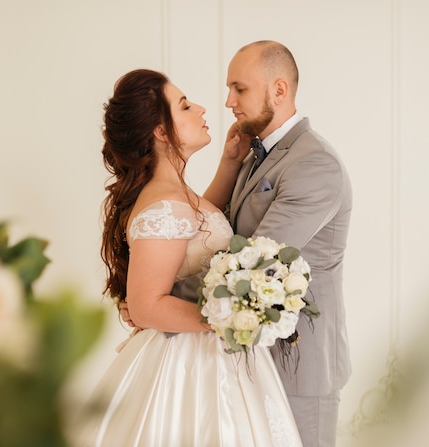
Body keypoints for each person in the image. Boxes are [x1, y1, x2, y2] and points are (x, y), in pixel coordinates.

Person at [129, 41, 353, 447]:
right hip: (239, 361)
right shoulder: (251, 156)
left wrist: (152, 299)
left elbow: (251, 264)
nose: (228, 101)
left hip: (296, 365)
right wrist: (148, 295)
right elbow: (199, 228)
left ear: (279, 91)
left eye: (240, 89)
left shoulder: (313, 163)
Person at [77, 68, 303, 446]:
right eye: (184, 105)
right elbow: (146, 306)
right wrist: (233, 316)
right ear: (161, 132)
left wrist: (230, 164)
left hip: (208, 353)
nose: (200, 108)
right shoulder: (164, 204)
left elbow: (196, 226)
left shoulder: (174, 196)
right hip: (189, 366)